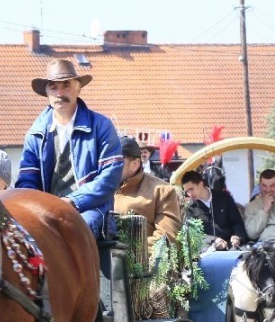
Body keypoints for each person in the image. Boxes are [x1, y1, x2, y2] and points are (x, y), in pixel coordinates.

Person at [15, 58, 123, 239]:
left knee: (77, 228)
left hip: (91, 209)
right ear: (47, 93)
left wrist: (73, 201)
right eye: (53, 87)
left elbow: (109, 178)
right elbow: (27, 182)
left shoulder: (101, 126)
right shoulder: (35, 134)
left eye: (66, 85)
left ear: (78, 88)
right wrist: (38, 208)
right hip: (46, 210)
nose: (60, 93)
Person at [114, 136, 181, 245]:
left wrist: (126, 251)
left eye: (116, 161)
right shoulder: (99, 188)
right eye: (106, 160)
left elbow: (166, 239)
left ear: (134, 164)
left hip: (142, 260)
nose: (109, 166)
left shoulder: (162, 191)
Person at [180, 170, 247, 250]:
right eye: (187, 191)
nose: (189, 194)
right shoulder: (190, 208)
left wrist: (237, 236)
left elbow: (237, 222)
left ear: (201, 184)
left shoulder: (224, 197)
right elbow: (193, 235)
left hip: (232, 246)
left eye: (191, 189)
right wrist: (214, 240)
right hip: (208, 249)